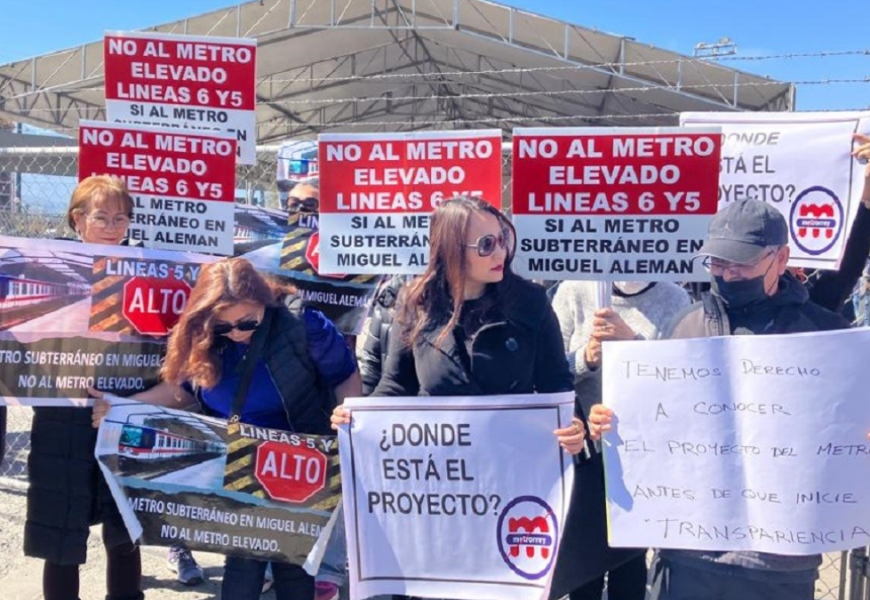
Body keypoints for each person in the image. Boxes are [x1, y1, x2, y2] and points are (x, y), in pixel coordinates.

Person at [589, 198, 851, 600]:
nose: (727, 274)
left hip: (782, 561)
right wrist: (613, 422)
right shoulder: (687, 324)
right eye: (717, 262)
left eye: (740, 263)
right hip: (689, 556)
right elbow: (660, 422)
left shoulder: (824, 334)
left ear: (780, 259)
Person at [94, 257, 360, 600]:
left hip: (298, 459)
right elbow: (184, 390)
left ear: (264, 302)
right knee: (244, 561)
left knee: (292, 566)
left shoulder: (301, 324)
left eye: (247, 322)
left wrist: (347, 413)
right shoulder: (204, 335)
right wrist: (123, 406)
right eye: (225, 326)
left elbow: (345, 375)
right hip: (238, 459)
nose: (236, 333)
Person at [332, 195, 586, 452]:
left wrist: (571, 424)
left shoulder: (530, 302)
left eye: (503, 239)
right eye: (486, 244)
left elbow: (555, 382)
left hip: (513, 459)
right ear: (451, 249)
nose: (500, 252)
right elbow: (397, 384)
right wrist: (359, 416)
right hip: (442, 466)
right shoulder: (415, 303)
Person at [24, 175, 147, 600]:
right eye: (102, 217)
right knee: (60, 533)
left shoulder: (149, 269)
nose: (114, 226)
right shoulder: (45, 264)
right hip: (61, 414)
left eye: (121, 217)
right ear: (78, 219)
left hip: (124, 407)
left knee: (125, 528)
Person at [549, 279, 691, 600]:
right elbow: (549, 372)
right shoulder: (573, 291)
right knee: (583, 569)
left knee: (629, 566)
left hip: (643, 460)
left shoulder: (675, 297)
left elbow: (682, 379)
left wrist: (633, 345)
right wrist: (588, 356)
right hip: (583, 457)